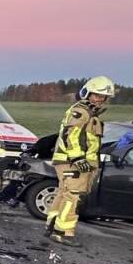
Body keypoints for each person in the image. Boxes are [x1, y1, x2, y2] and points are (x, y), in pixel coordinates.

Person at [45, 76, 115, 247]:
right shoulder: (82, 111)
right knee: (72, 196)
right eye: (96, 95)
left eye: (102, 96)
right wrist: (78, 158)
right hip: (73, 162)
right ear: (87, 93)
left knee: (64, 193)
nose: (99, 99)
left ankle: (53, 226)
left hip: (71, 161)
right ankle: (63, 232)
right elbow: (72, 134)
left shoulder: (89, 113)